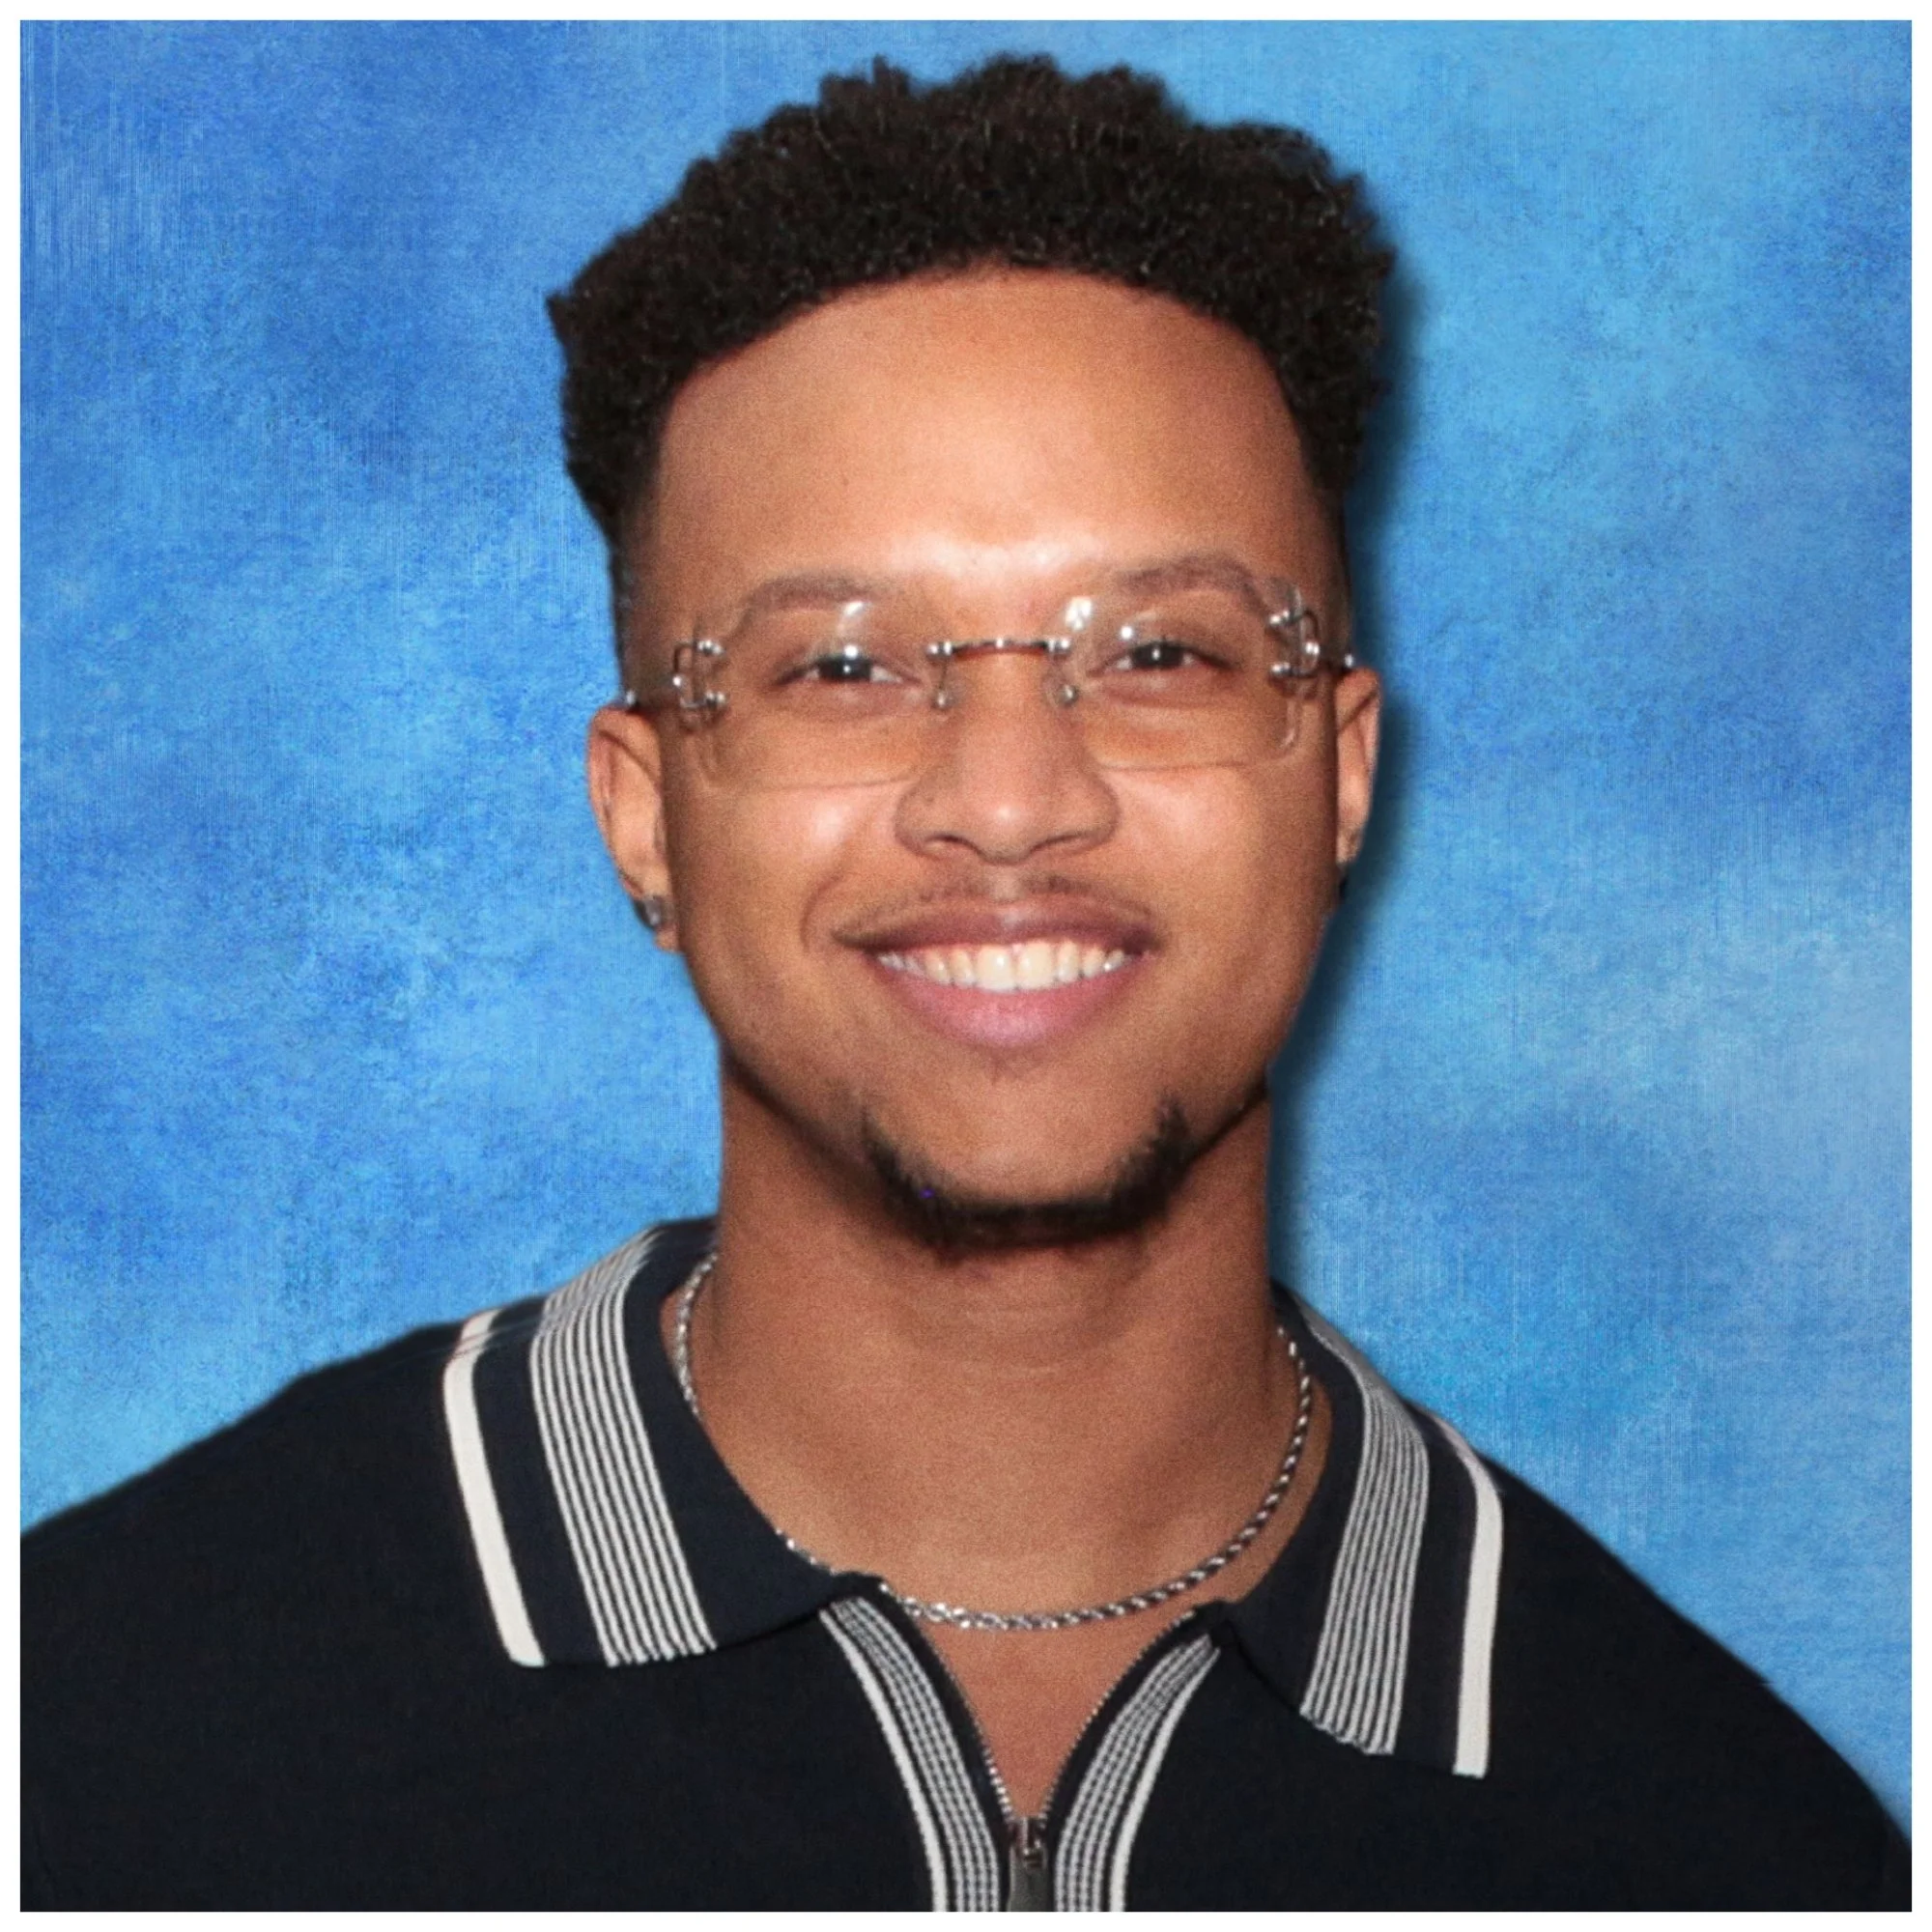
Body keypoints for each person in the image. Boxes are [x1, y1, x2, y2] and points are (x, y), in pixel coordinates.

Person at [22, 54, 1906, 1910]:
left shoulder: (1732, 1850)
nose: (1010, 803)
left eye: (1160, 651)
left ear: (1336, 774)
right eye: (840, 668)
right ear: (646, 817)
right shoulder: (91, 1739)